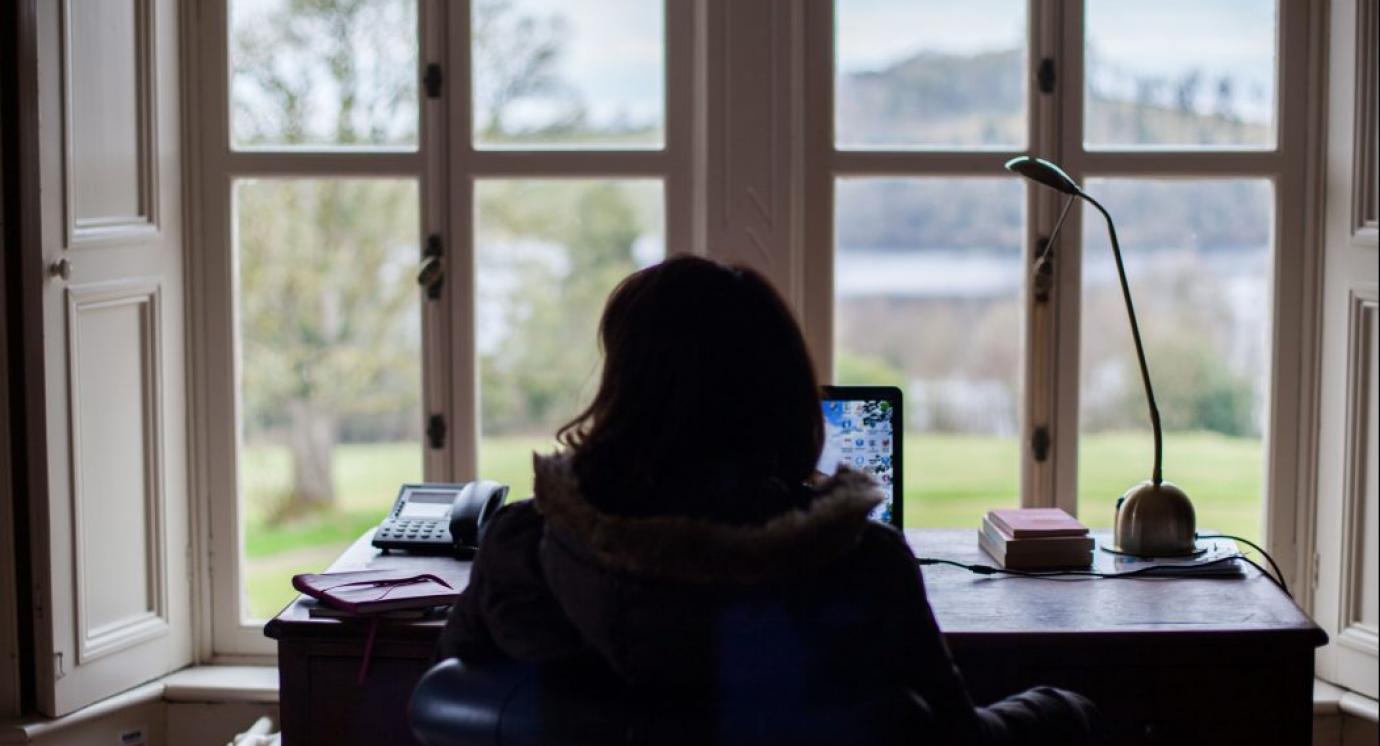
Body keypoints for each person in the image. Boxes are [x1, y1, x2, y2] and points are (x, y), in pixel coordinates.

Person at [437, 256, 1103, 744]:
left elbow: (456, 679)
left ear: (622, 389)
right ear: (783, 395)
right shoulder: (861, 565)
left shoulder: (523, 546)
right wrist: (1060, 710)